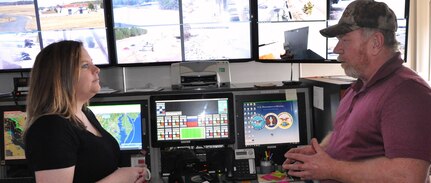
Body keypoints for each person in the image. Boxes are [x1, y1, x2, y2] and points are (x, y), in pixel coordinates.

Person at [282, 0, 431, 182]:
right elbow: (349, 136)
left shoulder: (407, 94)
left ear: (376, 42)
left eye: (345, 40)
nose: (337, 49)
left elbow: (408, 176)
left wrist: (330, 168)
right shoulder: (359, 87)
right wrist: (321, 151)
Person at [24, 40, 150, 183]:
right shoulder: (49, 128)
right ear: (62, 77)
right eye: (85, 65)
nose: (96, 69)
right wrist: (119, 178)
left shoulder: (85, 113)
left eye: (92, 63)